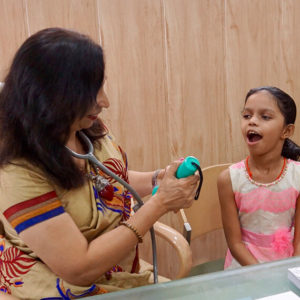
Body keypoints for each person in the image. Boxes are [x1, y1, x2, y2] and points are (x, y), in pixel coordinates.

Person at [0, 28, 199, 299]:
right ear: (52, 96)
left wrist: (158, 179)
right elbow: (78, 268)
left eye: (101, 87)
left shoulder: (85, 126)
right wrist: (160, 204)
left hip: (119, 274)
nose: (104, 101)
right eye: (91, 92)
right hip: (61, 286)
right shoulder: (16, 170)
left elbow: (109, 179)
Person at [218, 86, 300, 269]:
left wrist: (293, 272)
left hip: (287, 264)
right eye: (247, 115)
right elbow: (235, 244)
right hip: (244, 266)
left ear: (286, 131)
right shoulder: (228, 179)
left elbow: (299, 244)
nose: (252, 121)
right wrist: (261, 275)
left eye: (265, 117)